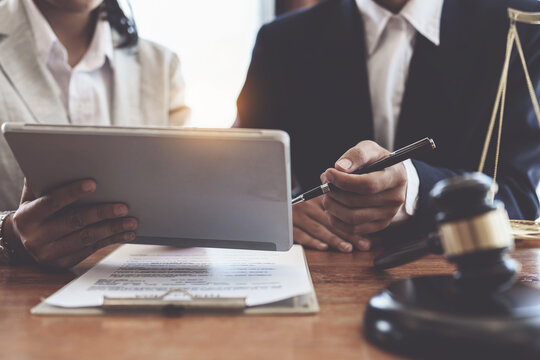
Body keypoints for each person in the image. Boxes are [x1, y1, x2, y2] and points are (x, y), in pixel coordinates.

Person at [237, 0, 540, 252]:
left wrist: (416, 190)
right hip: (321, 272)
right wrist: (275, 211)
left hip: (464, 280)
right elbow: (240, 181)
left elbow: (520, 199)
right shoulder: (280, 41)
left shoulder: (523, 25)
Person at [0, 0, 190, 268]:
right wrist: (6, 235)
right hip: (14, 298)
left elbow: (182, 202)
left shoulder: (161, 67)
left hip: (137, 291)